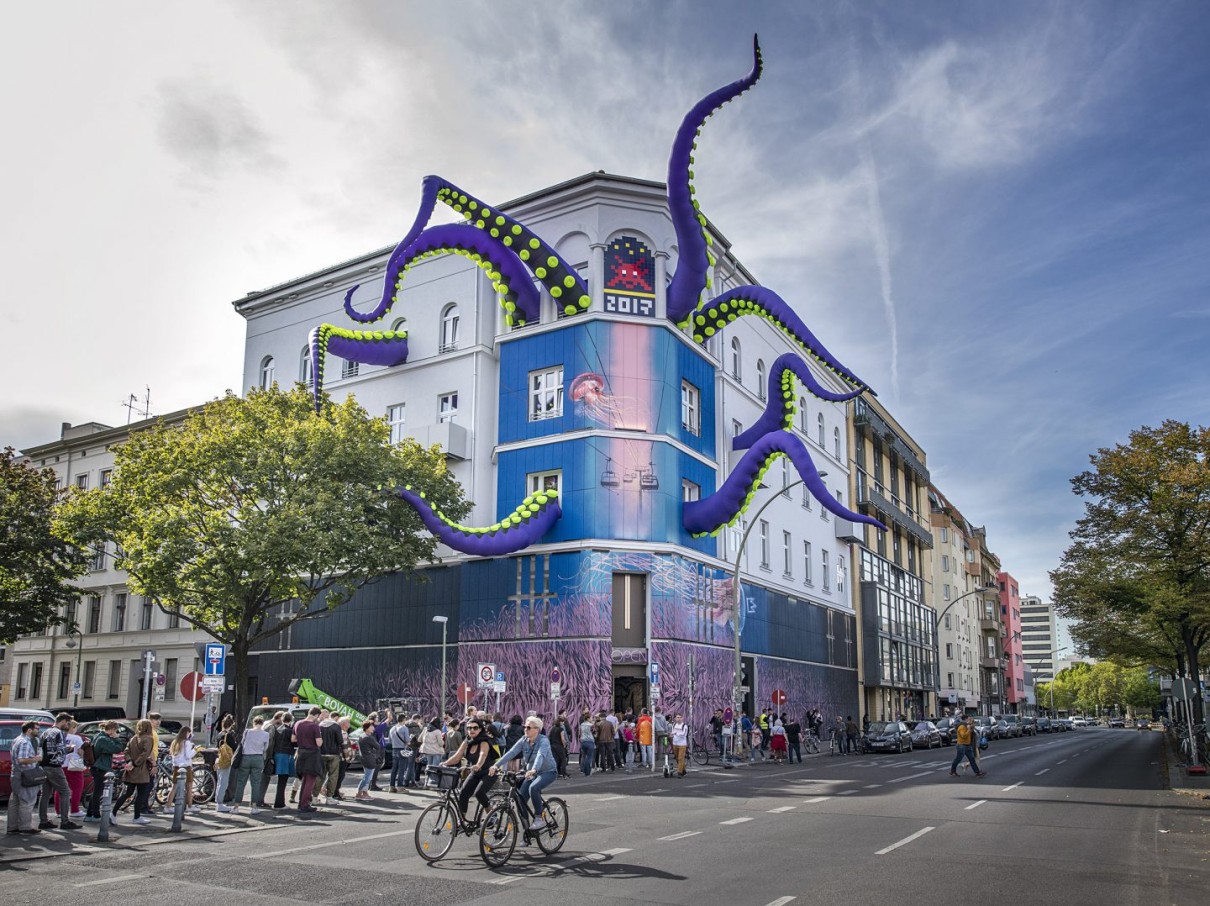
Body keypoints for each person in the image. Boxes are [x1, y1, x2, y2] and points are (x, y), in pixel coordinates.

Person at [490, 715, 556, 830]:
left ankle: (538, 818)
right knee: (521, 800)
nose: (525, 729)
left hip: (547, 772)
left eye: (529, 727)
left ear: (537, 729)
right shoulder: (523, 740)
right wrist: (496, 765)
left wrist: (534, 769)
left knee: (533, 788)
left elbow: (540, 755)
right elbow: (511, 752)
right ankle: (527, 831)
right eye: (525, 726)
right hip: (530, 773)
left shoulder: (543, 741)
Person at [441, 717, 498, 823]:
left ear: (480, 729)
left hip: (488, 772)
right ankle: (461, 821)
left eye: (475, 728)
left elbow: (483, 754)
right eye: (469, 728)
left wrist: (478, 765)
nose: (471, 730)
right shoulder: (467, 741)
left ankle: (492, 814)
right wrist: (445, 763)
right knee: (463, 793)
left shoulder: (484, 741)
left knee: (479, 792)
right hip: (475, 772)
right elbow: (457, 756)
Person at [38, 712, 80, 830]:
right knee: (65, 792)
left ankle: (43, 820)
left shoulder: (45, 732)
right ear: (62, 722)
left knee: (45, 794)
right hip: (54, 766)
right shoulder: (59, 733)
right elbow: (60, 751)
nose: (68, 726)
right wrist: (70, 749)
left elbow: (42, 748)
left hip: (44, 765)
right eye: (68, 723)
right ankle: (65, 822)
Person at [6, 721, 44, 834]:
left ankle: (12, 827)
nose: (39, 730)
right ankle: (25, 827)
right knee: (27, 802)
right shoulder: (25, 742)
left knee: (15, 802)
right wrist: (37, 758)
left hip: (16, 774)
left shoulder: (17, 739)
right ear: (29, 730)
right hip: (25, 774)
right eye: (37, 728)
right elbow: (22, 760)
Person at [228, 716, 269, 814]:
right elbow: (265, 747)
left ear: (254, 723)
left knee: (241, 782)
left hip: (246, 757)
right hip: (258, 758)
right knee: (255, 783)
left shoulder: (247, 732)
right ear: (262, 723)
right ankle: (254, 807)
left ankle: (236, 806)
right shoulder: (265, 734)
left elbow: (242, 743)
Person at [87, 721, 125, 823]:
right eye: (116, 730)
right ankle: (95, 814)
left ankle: (89, 814)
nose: (116, 732)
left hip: (97, 766)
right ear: (112, 730)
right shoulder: (103, 739)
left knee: (96, 791)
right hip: (101, 767)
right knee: (98, 792)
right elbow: (117, 749)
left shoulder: (98, 736)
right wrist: (116, 738)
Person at [125, 719, 157, 825]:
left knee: (129, 792)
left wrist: (130, 762)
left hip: (132, 768)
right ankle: (138, 814)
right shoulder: (149, 738)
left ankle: (114, 813)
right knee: (142, 791)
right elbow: (147, 752)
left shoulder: (134, 737)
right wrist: (136, 763)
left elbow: (127, 751)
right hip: (141, 768)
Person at [293, 706, 324, 813]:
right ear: (316, 715)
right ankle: (304, 804)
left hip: (300, 753)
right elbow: (319, 743)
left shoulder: (298, 723)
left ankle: (301, 803)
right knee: (310, 781)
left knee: (304, 780)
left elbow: (293, 739)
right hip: (312, 754)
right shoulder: (314, 726)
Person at [165, 727, 200, 815]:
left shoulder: (175, 742)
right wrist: (195, 750)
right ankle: (190, 806)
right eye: (189, 733)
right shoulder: (186, 742)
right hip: (186, 767)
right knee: (189, 786)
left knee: (174, 787)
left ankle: (167, 806)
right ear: (187, 733)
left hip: (176, 766)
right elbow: (188, 755)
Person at [61, 719, 89, 818]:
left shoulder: (61, 736)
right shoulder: (77, 738)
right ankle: (74, 810)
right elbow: (80, 751)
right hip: (74, 765)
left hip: (62, 764)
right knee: (77, 787)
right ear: (73, 727)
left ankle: (59, 811)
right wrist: (83, 758)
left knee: (60, 788)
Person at [213, 714, 238, 810]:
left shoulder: (220, 734)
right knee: (224, 782)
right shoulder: (229, 735)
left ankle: (218, 801)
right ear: (231, 725)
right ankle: (219, 804)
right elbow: (234, 748)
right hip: (226, 760)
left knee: (220, 781)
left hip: (219, 759)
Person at [356, 719, 383, 800]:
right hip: (369, 759)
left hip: (364, 758)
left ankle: (365, 793)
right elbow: (378, 746)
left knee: (367, 776)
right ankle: (359, 794)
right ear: (367, 728)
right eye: (371, 726)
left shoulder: (362, 735)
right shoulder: (368, 737)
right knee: (367, 778)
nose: (373, 728)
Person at [388, 713, 411, 793]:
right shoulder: (404, 728)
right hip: (402, 750)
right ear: (404, 719)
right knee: (401, 769)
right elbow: (407, 741)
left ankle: (391, 786)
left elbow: (390, 741)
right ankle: (400, 787)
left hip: (394, 750)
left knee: (394, 769)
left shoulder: (392, 729)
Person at [548, 713, 570, 778]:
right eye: (563, 722)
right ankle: (564, 773)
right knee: (563, 759)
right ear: (560, 722)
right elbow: (562, 739)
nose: (563, 723)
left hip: (553, 746)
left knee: (555, 760)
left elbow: (549, 736)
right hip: (559, 746)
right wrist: (565, 745)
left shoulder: (553, 728)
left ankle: (555, 773)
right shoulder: (561, 729)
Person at [670, 712, 689, 777]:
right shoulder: (674, 724)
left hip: (682, 744)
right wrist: (672, 734)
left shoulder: (684, 726)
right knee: (677, 758)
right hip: (675, 743)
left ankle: (679, 772)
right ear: (675, 718)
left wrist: (675, 733)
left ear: (682, 718)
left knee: (681, 758)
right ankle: (683, 770)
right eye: (678, 717)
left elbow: (684, 734)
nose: (679, 719)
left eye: (680, 717)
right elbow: (673, 732)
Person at [578, 709, 595, 777]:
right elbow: (594, 732)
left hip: (583, 741)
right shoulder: (591, 725)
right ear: (588, 718)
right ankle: (587, 772)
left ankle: (583, 769)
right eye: (591, 718)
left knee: (584, 756)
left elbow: (580, 733)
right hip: (590, 741)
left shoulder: (582, 724)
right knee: (589, 757)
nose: (592, 719)